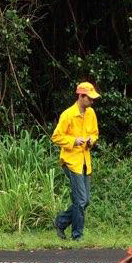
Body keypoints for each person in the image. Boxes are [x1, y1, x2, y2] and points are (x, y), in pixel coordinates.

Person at [52, 81, 100, 241]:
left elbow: (95, 133)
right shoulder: (68, 115)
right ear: (81, 96)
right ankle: (77, 236)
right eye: (89, 98)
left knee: (85, 201)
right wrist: (74, 141)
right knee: (80, 200)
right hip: (71, 162)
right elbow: (56, 137)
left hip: (85, 161)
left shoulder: (91, 113)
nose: (92, 101)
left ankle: (60, 222)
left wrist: (90, 140)